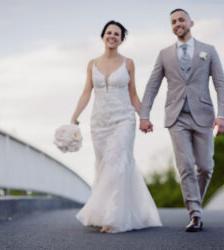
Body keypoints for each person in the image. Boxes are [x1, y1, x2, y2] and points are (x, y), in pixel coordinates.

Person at [139, 9, 224, 232]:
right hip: (176, 116)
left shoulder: (208, 51)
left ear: (191, 22)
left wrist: (221, 115)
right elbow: (152, 86)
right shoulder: (164, 54)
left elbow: (220, 84)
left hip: (204, 116)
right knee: (186, 166)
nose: (177, 24)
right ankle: (195, 213)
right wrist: (144, 115)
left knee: (206, 166)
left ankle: (194, 200)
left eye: (181, 20)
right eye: (173, 22)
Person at [71, 20, 162, 233]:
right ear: (103, 36)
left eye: (117, 34)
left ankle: (113, 218)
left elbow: (133, 95)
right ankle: (104, 212)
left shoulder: (128, 63)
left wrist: (144, 117)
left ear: (121, 39)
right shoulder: (92, 64)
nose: (112, 36)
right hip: (99, 122)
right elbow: (86, 93)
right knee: (104, 166)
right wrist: (73, 118)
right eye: (109, 32)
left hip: (124, 120)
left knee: (118, 162)